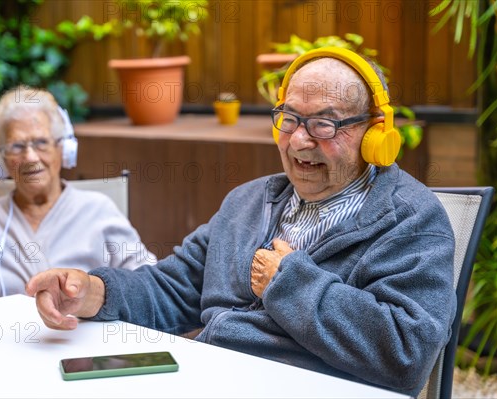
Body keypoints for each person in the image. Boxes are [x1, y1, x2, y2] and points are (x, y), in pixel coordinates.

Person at [26, 48, 456, 397]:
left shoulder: (412, 220)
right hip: (205, 378)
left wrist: (289, 281)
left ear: (376, 132)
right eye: (289, 120)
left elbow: (406, 353)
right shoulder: (247, 202)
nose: (300, 141)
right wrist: (92, 292)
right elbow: (173, 290)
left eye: (324, 125)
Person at [0, 85, 155, 304]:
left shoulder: (99, 210)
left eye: (41, 142)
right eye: (17, 146)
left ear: (64, 148)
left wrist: (95, 297)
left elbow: (151, 283)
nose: (30, 157)